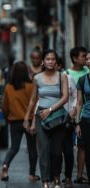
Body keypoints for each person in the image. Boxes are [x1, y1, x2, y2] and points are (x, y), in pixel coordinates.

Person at [24, 49, 68, 188]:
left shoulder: (62, 76)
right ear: (43, 61)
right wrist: (27, 118)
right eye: (48, 59)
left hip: (57, 117)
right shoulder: (37, 78)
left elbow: (65, 97)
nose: (50, 62)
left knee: (56, 151)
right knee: (43, 150)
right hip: (41, 117)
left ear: (56, 61)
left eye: (53, 59)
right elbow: (32, 100)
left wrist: (50, 110)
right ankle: (45, 181)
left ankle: (56, 177)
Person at [0, 61, 39, 182]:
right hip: (30, 120)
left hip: (14, 121)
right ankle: (32, 174)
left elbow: (4, 106)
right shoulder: (31, 86)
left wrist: (8, 117)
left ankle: (6, 165)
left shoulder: (8, 87)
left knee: (14, 147)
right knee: (32, 148)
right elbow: (36, 103)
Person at [65, 46, 89, 184]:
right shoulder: (66, 74)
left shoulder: (88, 71)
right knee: (73, 147)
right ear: (74, 58)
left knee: (83, 145)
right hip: (71, 115)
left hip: (83, 114)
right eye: (83, 56)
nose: (86, 59)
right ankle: (75, 174)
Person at [55, 58, 77, 187]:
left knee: (68, 152)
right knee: (55, 152)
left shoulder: (69, 78)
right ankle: (56, 177)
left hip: (67, 118)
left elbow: (75, 96)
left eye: (55, 63)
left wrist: (73, 111)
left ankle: (68, 177)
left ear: (59, 66)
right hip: (53, 120)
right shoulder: (46, 80)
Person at [75, 50, 90, 186]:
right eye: (87, 59)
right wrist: (77, 122)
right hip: (86, 119)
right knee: (87, 150)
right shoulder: (82, 80)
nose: (89, 61)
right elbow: (79, 102)